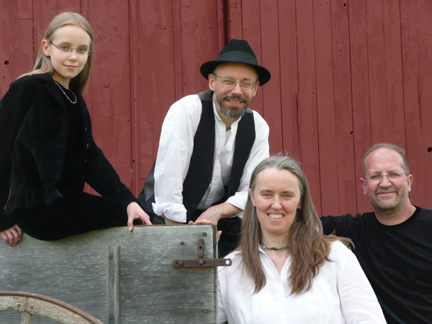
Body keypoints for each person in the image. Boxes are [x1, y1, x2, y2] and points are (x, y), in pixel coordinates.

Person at [0, 12, 152, 247]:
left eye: (81, 50)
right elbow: (1, 148)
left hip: (65, 206)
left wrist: (128, 201)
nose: (73, 57)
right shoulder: (27, 88)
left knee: (137, 213)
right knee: (137, 220)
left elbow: (91, 160)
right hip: (38, 210)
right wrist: (1, 218)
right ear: (47, 48)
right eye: (65, 47)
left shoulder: (74, 101)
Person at [138, 39, 271, 257]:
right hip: (162, 220)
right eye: (228, 81)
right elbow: (168, 186)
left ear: (255, 89)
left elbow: (253, 191)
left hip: (216, 225)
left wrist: (218, 211)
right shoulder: (187, 111)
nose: (237, 91)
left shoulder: (258, 127)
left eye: (246, 83)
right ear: (212, 82)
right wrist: (182, 242)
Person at [217, 155, 386, 324]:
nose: (276, 204)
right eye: (267, 194)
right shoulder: (228, 269)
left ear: (300, 201)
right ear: (252, 198)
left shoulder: (335, 256)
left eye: (287, 195)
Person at [320, 143, 432, 324]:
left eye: (393, 174)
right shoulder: (353, 230)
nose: (385, 183)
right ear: (364, 186)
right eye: (375, 176)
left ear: (409, 181)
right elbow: (295, 224)